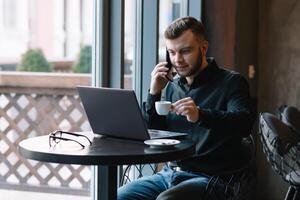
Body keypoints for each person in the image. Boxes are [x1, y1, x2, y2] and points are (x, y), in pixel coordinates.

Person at [118, 16, 254, 200]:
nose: (177, 60)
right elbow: (153, 131)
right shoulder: (173, 86)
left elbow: (244, 123)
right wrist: (154, 92)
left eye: (185, 51)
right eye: (172, 52)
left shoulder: (231, 82)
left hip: (210, 179)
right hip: (169, 174)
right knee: (118, 196)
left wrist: (200, 115)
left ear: (203, 48)